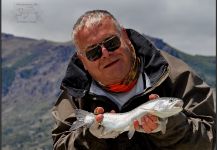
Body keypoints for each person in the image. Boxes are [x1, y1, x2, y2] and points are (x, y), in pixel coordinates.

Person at [51, 10, 216, 150]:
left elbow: (207, 140)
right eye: (93, 53)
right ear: (83, 61)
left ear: (125, 37)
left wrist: (168, 125)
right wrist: (93, 137)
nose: (106, 54)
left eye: (112, 43)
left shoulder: (175, 75)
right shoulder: (74, 95)